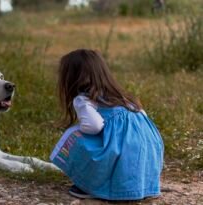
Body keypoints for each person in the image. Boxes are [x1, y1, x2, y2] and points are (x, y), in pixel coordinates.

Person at [50, 49, 164, 200]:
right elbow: (142, 119)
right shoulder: (123, 98)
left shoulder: (83, 100)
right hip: (148, 150)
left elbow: (94, 126)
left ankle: (90, 185)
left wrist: (80, 128)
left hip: (119, 152)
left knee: (73, 135)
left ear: (71, 78)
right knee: (124, 145)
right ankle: (141, 186)